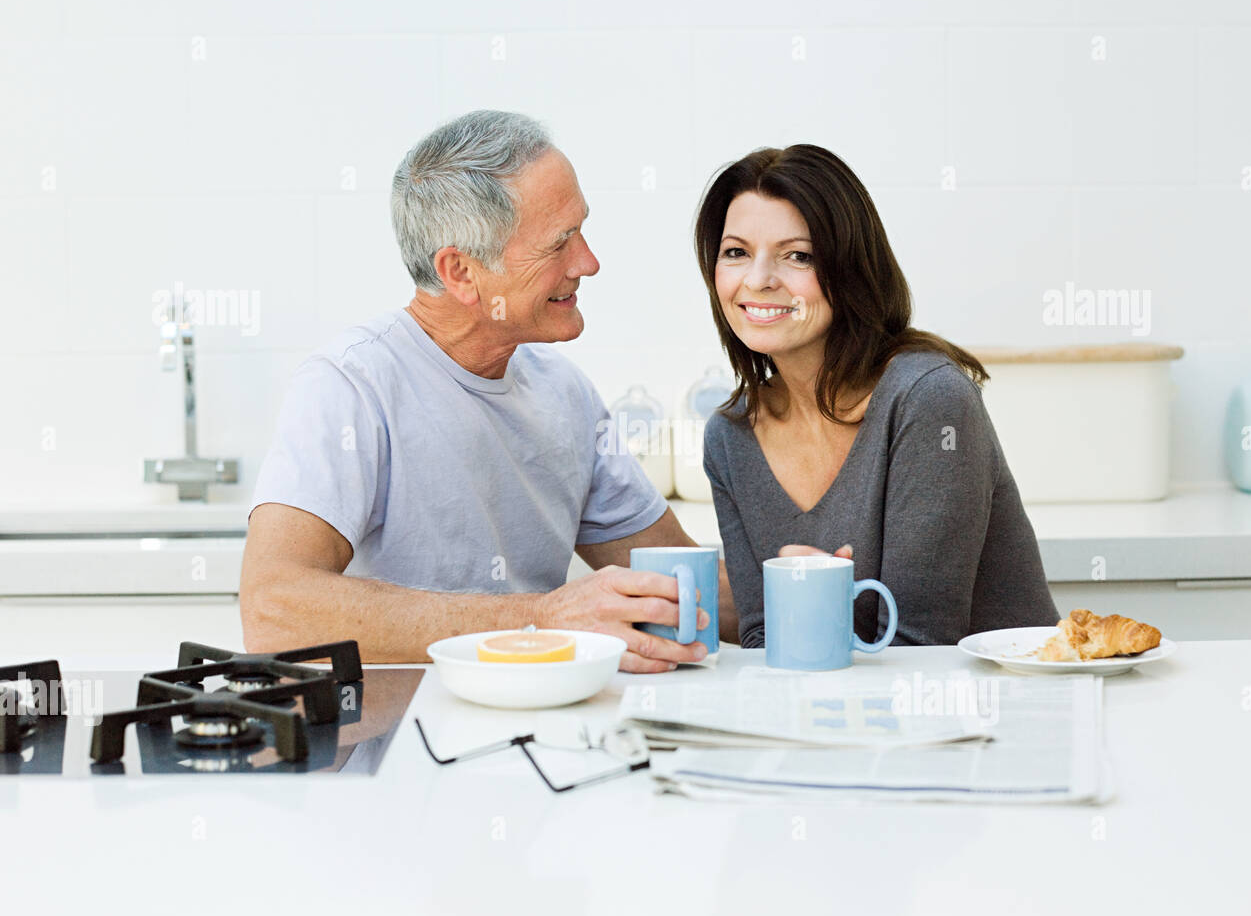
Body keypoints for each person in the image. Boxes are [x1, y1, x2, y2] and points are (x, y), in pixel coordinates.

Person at [241, 110, 736, 669]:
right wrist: (543, 621)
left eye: (582, 230)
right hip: (400, 747)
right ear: (460, 271)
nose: (589, 263)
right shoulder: (352, 386)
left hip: (541, 739)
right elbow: (274, 611)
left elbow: (678, 586)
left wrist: (814, 586)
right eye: (560, 244)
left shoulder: (564, 393)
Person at [697, 144, 1058, 648]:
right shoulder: (730, 436)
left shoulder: (928, 399)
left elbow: (921, 649)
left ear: (850, 270)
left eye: (797, 256)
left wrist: (818, 607)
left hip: (995, 715)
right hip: (844, 718)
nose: (757, 281)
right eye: (736, 252)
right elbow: (762, 637)